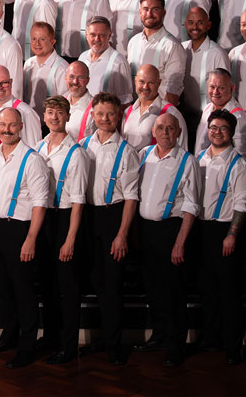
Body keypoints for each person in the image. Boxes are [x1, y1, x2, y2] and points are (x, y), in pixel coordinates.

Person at [0, 107, 49, 368]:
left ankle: (27, 346)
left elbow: (41, 203)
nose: (6, 129)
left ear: (20, 127)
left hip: (19, 230)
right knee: (3, 289)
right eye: (2, 124)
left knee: (23, 290)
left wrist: (30, 239)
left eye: (11, 125)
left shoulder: (32, 159)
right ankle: (9, 336)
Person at [134, 112, 201, 367]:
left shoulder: (187, 161)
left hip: (171, 231)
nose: (165, 132)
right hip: (146, 231)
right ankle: (159, 335)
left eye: (170, 129)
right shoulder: (144, 156)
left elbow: (192, 205)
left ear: (179, 132)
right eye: (160, 128)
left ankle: (176, 345)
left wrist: (180, 243)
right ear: (153, 131)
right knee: (152, 288)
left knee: (173, 291)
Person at [80, 92, 140, 365]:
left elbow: (130, 197)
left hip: (112, 217)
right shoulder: (82, 146)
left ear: (119, 117)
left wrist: (122, 234)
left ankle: (114, 344)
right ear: (92, 115)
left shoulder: (126, 151)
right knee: (95, 282)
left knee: (113, 285)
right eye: (100, 114)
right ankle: (101, 339)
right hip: (87, 218)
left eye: (111, 114)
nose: (105, 119)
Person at [33, 96, 89, 364]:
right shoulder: (39, 147)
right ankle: (51, 336)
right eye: (50, 112)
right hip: (44, 218)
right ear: (44, 116)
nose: (54, 117)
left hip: (66, 219)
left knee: (68, 287)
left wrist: (69, 240)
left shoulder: (75, 152)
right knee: (48, 284)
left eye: (59, 113)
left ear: (68, 117)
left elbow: (78, 201)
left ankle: (68, 346)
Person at [197, 109, 246, 365]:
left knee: (229, 291)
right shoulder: (199, 159)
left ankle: (233, 345)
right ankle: (211, 339)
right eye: (213, 127)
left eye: (223, 129)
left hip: (225, 230)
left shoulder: (239, 164)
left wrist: (232, 235)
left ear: (231, 133)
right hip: (203, 230)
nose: (217, 132)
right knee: (208, 289)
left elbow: (242, 203)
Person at [0, 65, 43, 171]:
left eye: (4, 83)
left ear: (11, 83)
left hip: (7, 179)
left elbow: (33, 154)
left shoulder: (26, 113)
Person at [126, 0, 184, 104]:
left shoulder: (172, 46)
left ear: (163, 13)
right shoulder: (133, 41)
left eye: (155, 9)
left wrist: (163, 117)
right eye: (146, 9)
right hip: (134, 110)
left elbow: (174, 89)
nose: (149, 14)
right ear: (140, 12)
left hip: (158, 113)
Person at [121, 65, 188, 150]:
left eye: (151, 83)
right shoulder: (128, 112)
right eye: (141, 82)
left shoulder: (172, 113)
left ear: (159, 83)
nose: (145, 87)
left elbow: (181, 152)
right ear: (135, 81)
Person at [193, 68, 246, 155]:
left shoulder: (239, 118)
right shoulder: (208, 108)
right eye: (212, 87)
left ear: (232, 89)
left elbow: (238, 156)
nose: (215, 92)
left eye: (221, 88)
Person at [182, 6, 230, 115]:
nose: (195, 27)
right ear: (185, 25)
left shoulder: (218, 54)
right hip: (185, 116)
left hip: (209, 118)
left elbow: (225, 92)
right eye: (191, 22)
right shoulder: (182, 49)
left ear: (208, 25)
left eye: (200, 23)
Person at [79, 16, 133, 104]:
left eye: (102, 35)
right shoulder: (82, 57)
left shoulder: (119, 63)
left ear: (109, 35)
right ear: (86, 35)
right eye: (93, 35)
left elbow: (125, 102)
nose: (97, 39)